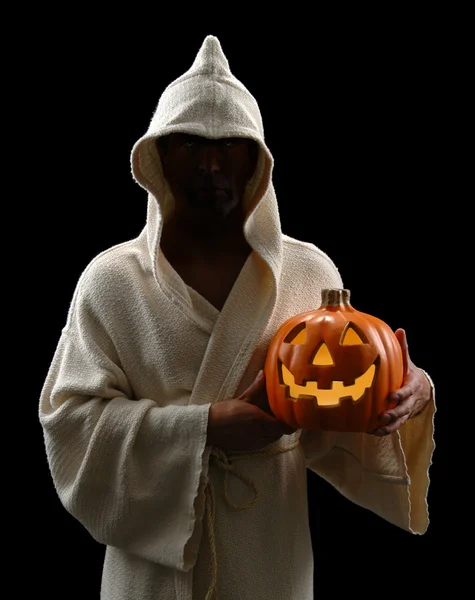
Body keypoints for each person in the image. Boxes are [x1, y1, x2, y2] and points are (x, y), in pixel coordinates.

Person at [39, 35, 436, 600]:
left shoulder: (309, 273)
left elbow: (340, 396)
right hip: (151, 575)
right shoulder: (110, 282)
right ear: (158, 156)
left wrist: (405, 389)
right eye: (190, 144)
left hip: (269, 554)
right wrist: (206, 428)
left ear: (256, 160)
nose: (209, 163)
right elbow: (69, 424)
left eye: (229, 144)